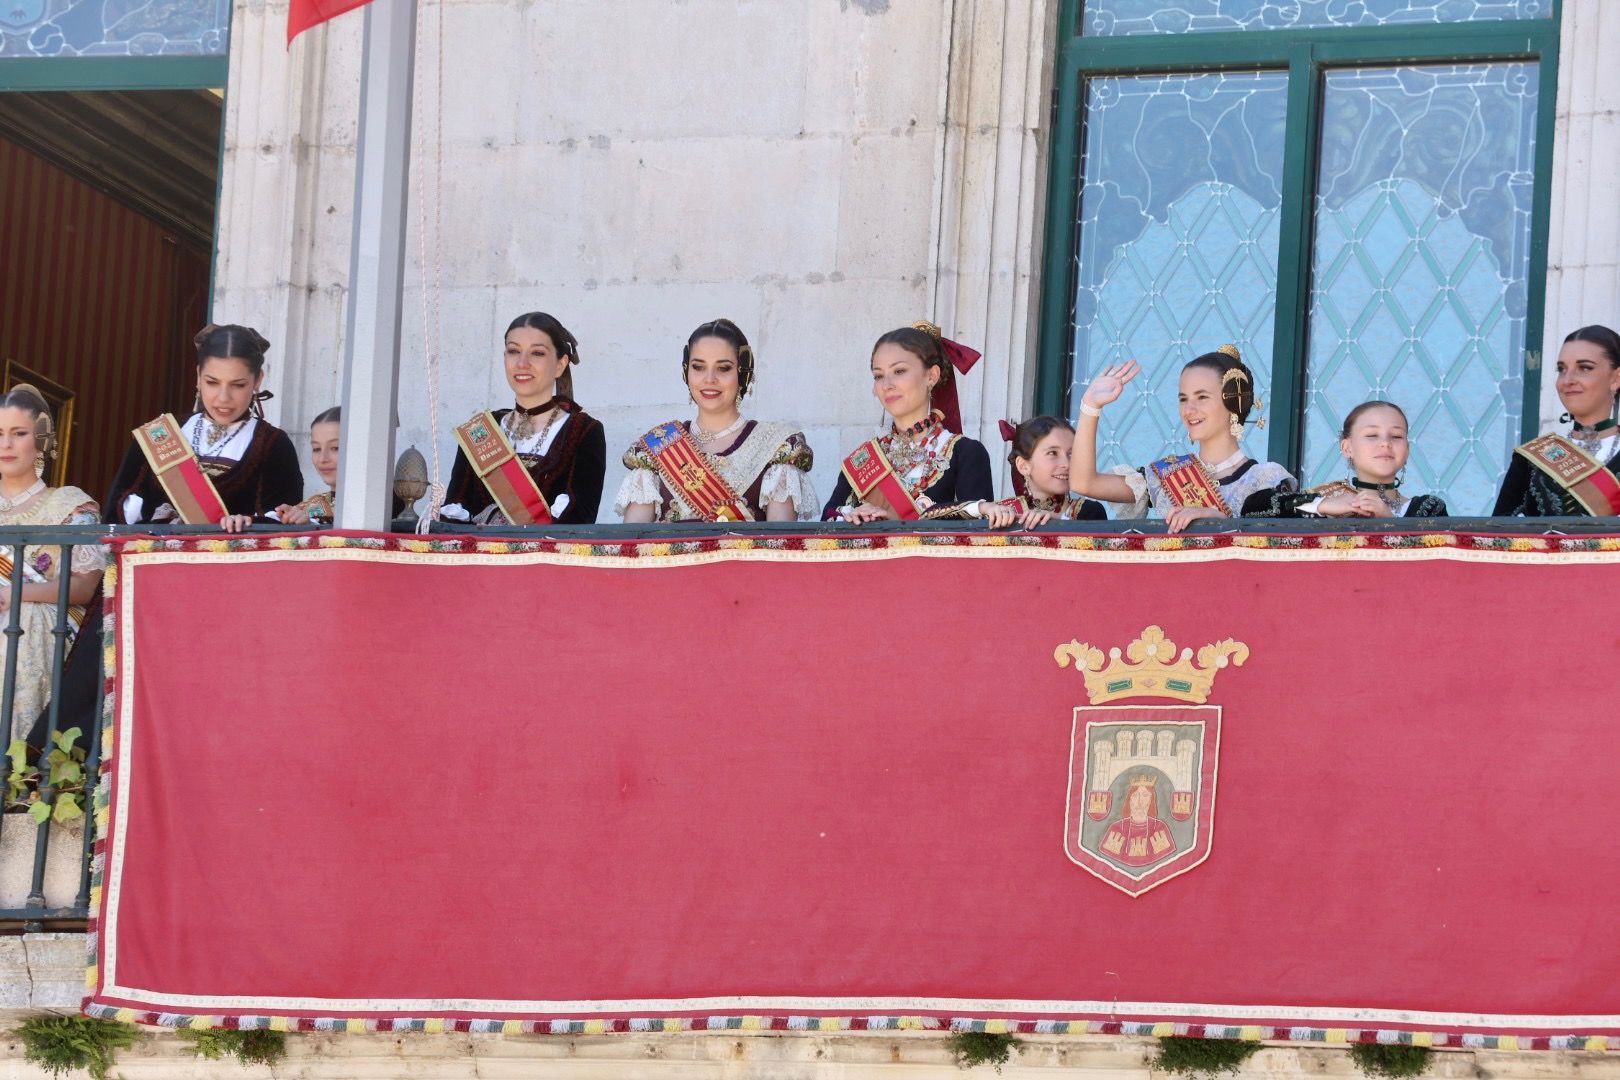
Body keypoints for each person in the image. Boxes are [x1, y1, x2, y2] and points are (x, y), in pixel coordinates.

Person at [1068, 345, 1296, 533]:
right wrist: (1090, 406)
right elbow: (1083, 483)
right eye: (1183, 399)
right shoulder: (1165, 475)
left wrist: (1220, 522)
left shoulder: (1266, 479)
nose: (1189, 409)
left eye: (1202, 397)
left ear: (1233, 402)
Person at [616, 319, 817, 522]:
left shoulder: (775, 447)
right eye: (698, 367)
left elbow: (778, 547)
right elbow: (634, 545)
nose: (709, 378)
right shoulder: (657, 448)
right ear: (686, 371)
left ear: (743, 373)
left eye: (723, 368)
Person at [107, 324, 302, 532]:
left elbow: (284, 529)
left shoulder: (273, 445)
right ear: (199, 375)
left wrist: (247, 524)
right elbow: (115, 518)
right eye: (212, 382)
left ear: (258, 380)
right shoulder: (160, 435)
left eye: (238, 385)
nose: (223, 398)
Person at [0, 386, 105, 741]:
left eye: (19, 434)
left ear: (42, 439)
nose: (6, 445)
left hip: (34, 632)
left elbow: (84, 587)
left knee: (22, 616)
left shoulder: (71, 505)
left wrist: (16, 593)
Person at [443, 312, 606, 524]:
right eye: (513, 351)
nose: (522, 362)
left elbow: (578, 521)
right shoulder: (481, 430)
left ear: (560, 364)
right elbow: (454, 514)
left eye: (537, 353)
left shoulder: (583, 431)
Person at [821, 322, 994, 521]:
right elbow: (826, 524)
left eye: (899, 371)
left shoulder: (965, 453)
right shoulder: (864, 459)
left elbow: (975, 537)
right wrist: (852, 518)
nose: (887, 385)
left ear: (931, 375)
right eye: (879, 375)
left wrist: (894, 522)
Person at [1494, 325, 1620, 517]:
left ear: (1616, 378)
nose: (1567, 380)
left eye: (1584, 368)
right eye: (1561, 369)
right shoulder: (1531, 461)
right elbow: (1495, 539)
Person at [1258, 401, 1448, 518]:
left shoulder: (1429, 510)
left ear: (1406, 451)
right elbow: (1254, 506)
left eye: (1397, 437)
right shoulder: (1331, 502)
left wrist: (1388, 521)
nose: (1385, 443)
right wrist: (1325, 504)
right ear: (1347, 447)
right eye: (1372, 435)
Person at [977, 416, 1108, 528]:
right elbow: (957, 514)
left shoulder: (1089, 512)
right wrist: (984, 507)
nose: (1067, 464)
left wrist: (1057, 522)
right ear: (1023, 466)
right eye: (1053, 453)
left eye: (1071, 454)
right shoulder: (1003, 512)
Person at [274, 406, 341, 524]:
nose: (322, 459)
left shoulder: (378, 509)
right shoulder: (307, 508)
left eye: (336, 448)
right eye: (316, 449)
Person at [1098, 774, 1177, 868]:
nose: (1140, 800)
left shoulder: (1160, 828)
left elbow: (1167, 856)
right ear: (1129, 799)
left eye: (1145, 795)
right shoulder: (1116, 828)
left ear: (1151, 799)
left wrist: (1162, 851)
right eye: (1135, 795)